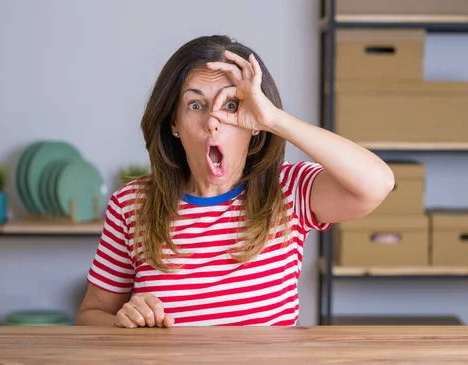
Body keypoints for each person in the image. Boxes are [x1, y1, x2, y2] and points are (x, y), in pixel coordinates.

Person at [76, 35, 394, 328]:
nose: (213, 121)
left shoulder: (288, 191)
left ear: (253, 123)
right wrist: (123, 321)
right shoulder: (131, 204)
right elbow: (90, 316)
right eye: (196, 105)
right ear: (174, 122)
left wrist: (273, 119)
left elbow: (377, 183)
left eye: (231, 105)